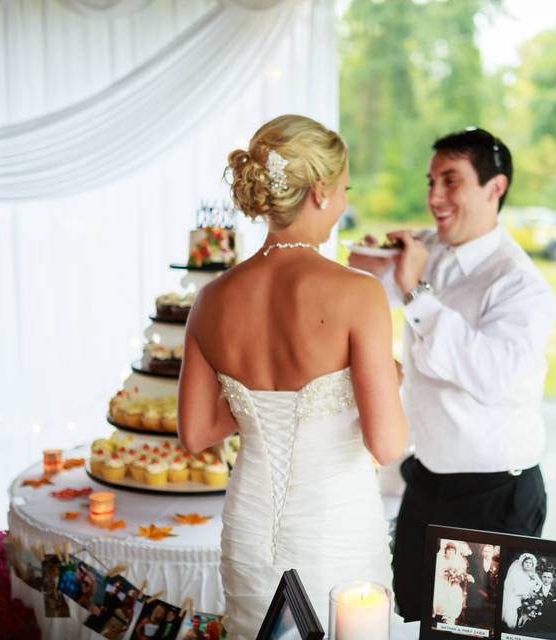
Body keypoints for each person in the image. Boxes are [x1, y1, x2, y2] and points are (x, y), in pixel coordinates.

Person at [177, 114, 408, 639]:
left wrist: (261, 406)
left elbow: (194, 434)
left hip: (250, 526)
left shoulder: (211, 299)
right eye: (344, 189)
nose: (345, 203)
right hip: (338, 525)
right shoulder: (358, 292)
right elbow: (388, 444)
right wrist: (384, 379)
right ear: (321, 191)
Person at [348, 127, 556, 620]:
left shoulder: (522, 286)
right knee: (413, 612)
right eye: (430, 182)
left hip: (493, 496)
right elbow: (372, 297)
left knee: (476, 631)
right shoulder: (430, 252)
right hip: (427, 480)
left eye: (450, 182)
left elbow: (489, 374)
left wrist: (418, 293)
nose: (434, 198)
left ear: (495, 188)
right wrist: (368, 264)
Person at [432, 542, 473, 625]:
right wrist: (447, 574)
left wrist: (456, 577)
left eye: (452, 551)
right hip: (440, 581)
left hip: (452, 583)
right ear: (445, 551)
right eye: (449, 550)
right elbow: (437, 573)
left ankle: (448, 617)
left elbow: (460, 573)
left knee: (455, 593)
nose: (450, 552)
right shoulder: (440, 560)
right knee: (439, 593)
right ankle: (437, 615)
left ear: (455, 552)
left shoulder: (457, 562)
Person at [501, 553, 543, 629]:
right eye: (526, 562)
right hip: (517, 597)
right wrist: (527, 593)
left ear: (532, 564)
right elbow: (516, 588)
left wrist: (533, 591)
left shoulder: (533, 574)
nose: (528, 564)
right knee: (514, 618)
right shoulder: (517, 573)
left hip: (529, 599)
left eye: (530, 563)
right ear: (522, 563)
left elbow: (540, 584)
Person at [463, 544, 499, 627]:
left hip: (490, 596)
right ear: (482, 552)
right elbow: (470, 574)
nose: (487, 553)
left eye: (489, 551)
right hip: (476, 592)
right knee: (472, 620)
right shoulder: (476, 562)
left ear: (493, 552)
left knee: (487, 621)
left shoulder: (497, 565)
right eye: (485, 551)